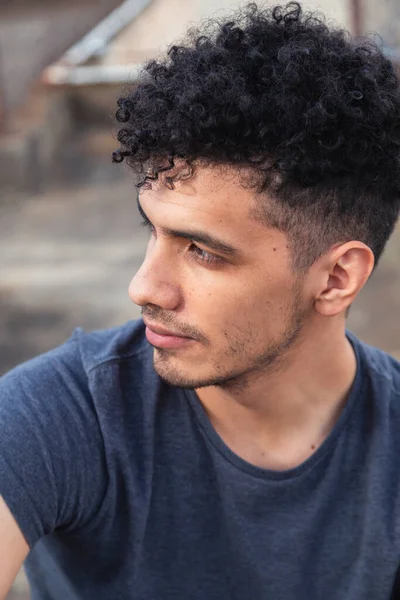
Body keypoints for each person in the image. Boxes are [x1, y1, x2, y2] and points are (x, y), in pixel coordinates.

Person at [1, 2, 400, 598]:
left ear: (338, 278)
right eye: (154, 231)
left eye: (204, 252)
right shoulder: (62, 414)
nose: (143, 288)